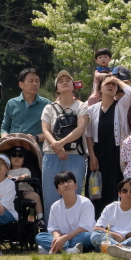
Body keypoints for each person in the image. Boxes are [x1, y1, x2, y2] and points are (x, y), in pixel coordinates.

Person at [86, 74, 131, 212]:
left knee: (114, 187)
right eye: (107, 83)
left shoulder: (121, 106)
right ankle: (95, 222)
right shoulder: (91, 109)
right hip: (98, 153)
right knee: (95, 188)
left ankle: (113, 222)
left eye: (114, 85)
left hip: (117, 153)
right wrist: (92, 156)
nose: (111, 85)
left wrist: (115, 79)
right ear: (99, 88)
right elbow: (88, 135)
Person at [39, 71, 89, 201]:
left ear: (73, 86)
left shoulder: (82, 106)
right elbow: (46, 130)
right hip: (51, 154)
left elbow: (81, 128)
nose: (65, 82)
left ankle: (74, 222)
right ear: (56, 88)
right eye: (60, 81)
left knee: (73, 194)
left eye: (68, 80)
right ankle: (51, 221)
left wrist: (61, 143)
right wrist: (57, 147)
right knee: (50, 194)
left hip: (75, 154)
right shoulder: (49, 108)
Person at [39, 172, 96, 254]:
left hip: (79, 236)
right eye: (62, 183)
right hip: (62, 238)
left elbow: (84, 228)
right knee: (40, 237)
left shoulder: (85, 203)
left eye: (69, 182)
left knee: (87, 237)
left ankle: (53, 249)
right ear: (58, 191)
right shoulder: (55, 206)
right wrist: (57, 237)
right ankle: (68, 250)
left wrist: (64, 239)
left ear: (75, 186)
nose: (66, 185)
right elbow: (54, 229)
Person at [92, 178, 131, 257]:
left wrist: (125, 236)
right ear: (119, 193)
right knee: (95, 235)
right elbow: (97, 228)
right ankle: (122, 247)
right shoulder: (110, 208)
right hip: (112, 238)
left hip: (128, 239)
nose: (128, 194)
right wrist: (115, 235)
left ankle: (118, 247)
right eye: (125, 191)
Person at [2, 68, 46, 140]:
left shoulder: (46, 104)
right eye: (31, 81)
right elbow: (5, 127)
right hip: (14, 148)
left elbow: (50, 131)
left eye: (37, 81)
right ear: (21, 84)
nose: (35, 84)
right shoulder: (11, 103)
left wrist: (35, 138)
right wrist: (6, 137)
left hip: (36, 149)